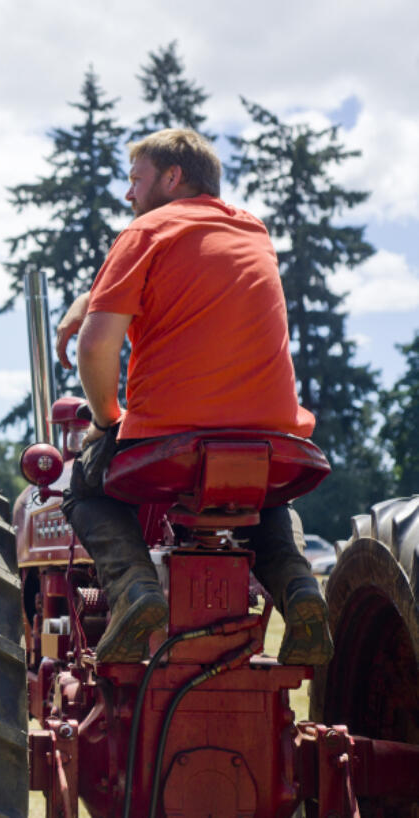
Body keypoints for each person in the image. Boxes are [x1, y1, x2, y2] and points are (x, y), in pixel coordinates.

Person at [55, 128, 334, 666]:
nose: (128, 195)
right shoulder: (253, 231)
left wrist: (107, 421)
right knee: (268, 501)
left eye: (135, 180)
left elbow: (95, 349)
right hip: (275, 441)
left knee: (85, 490)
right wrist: (95, 294)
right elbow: (191, 267)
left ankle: (136, 593)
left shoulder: (145, 231)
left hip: (175, 438)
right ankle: (300, 590)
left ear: (171, 177)